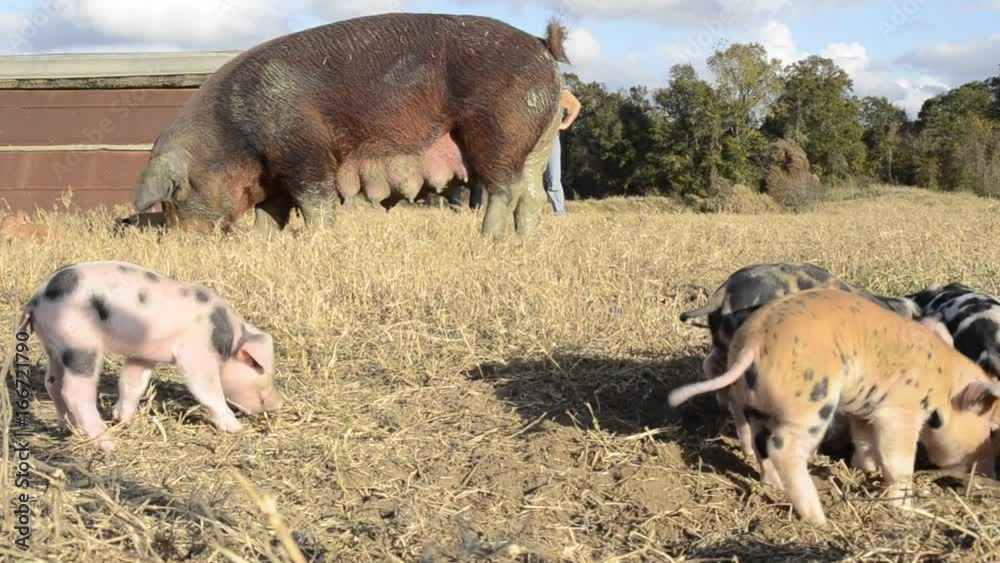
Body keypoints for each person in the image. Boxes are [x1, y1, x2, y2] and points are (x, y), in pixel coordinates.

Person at [544, 87, 582, 218]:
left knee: (553, 178)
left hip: (550, 138)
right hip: (527, 137)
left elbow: (575, 105)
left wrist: (565, 124)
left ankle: (560, 213)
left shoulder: (555, 84)